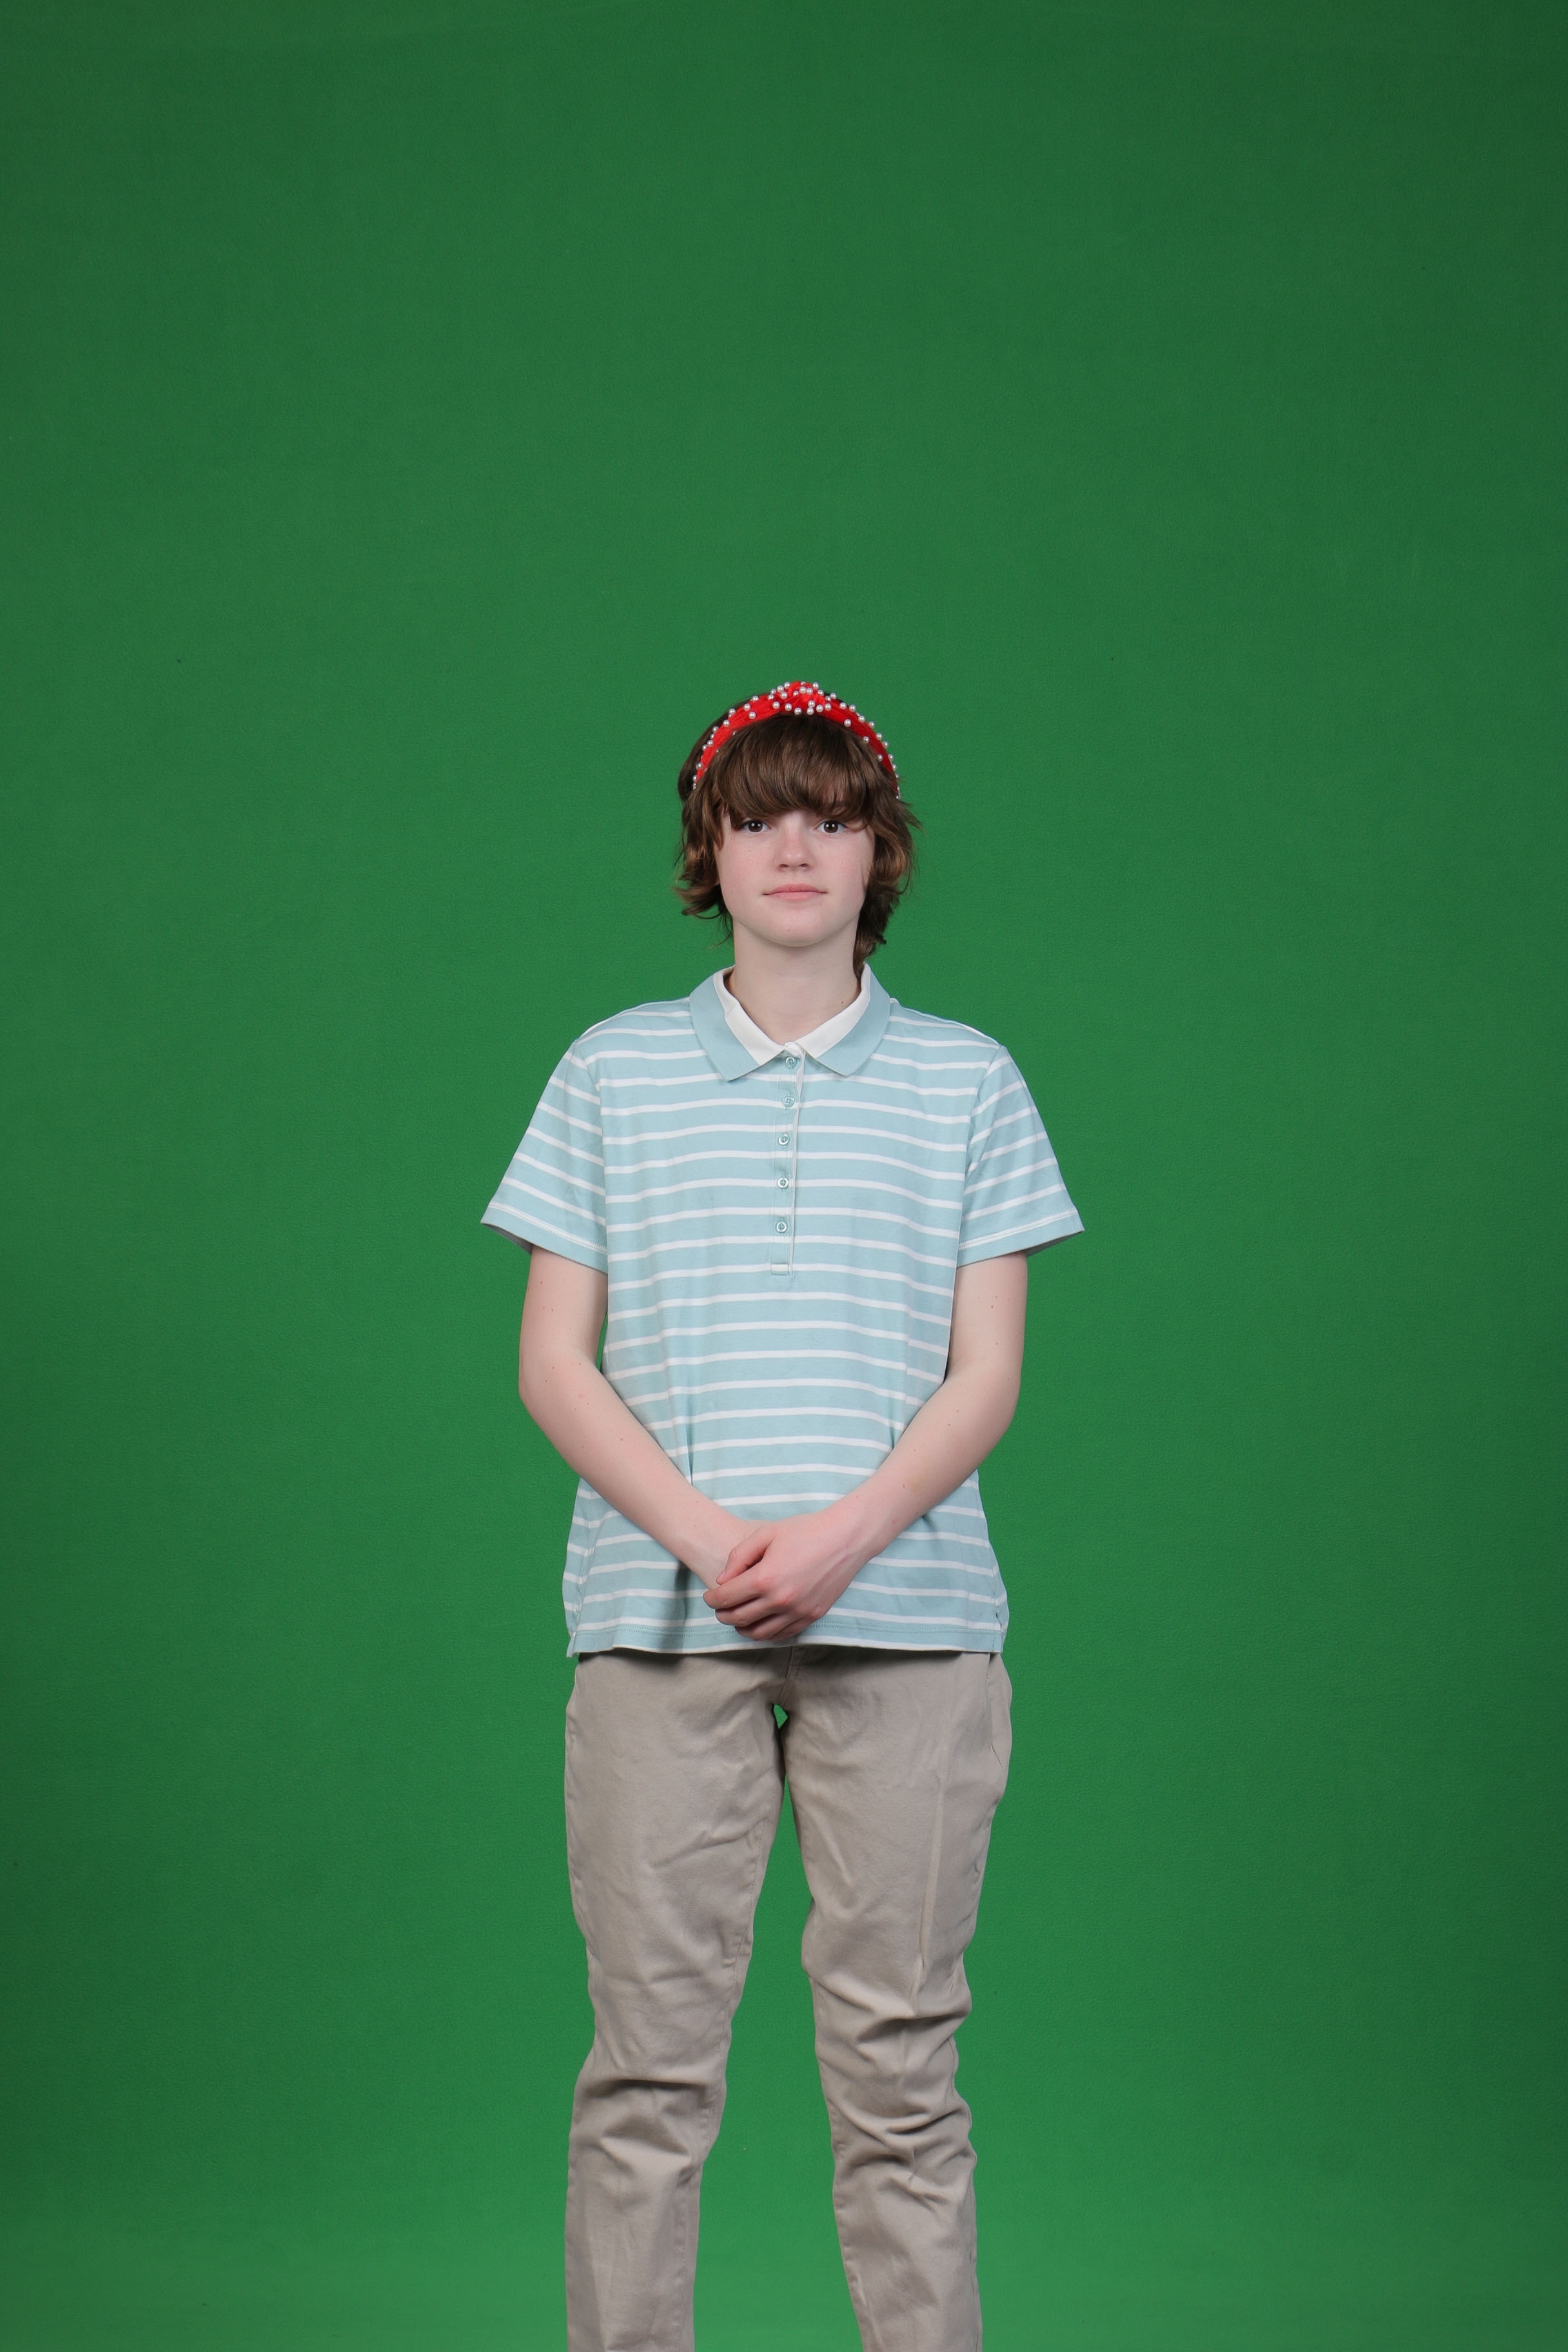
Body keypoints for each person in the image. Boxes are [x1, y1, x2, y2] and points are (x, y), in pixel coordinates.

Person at [482, 681, 1083, 2352]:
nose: (794, 846)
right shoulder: (609, 1070)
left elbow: (987, 1375)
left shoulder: (970, 1081)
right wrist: (707, 1539)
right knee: (647, 2073)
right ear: (712, 850)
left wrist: (842, 1537)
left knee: (902, 2067)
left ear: (882, 850)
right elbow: (551, 1361)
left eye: (830, 815)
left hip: (917, 1629)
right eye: (758, 818)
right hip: (654, 1624)